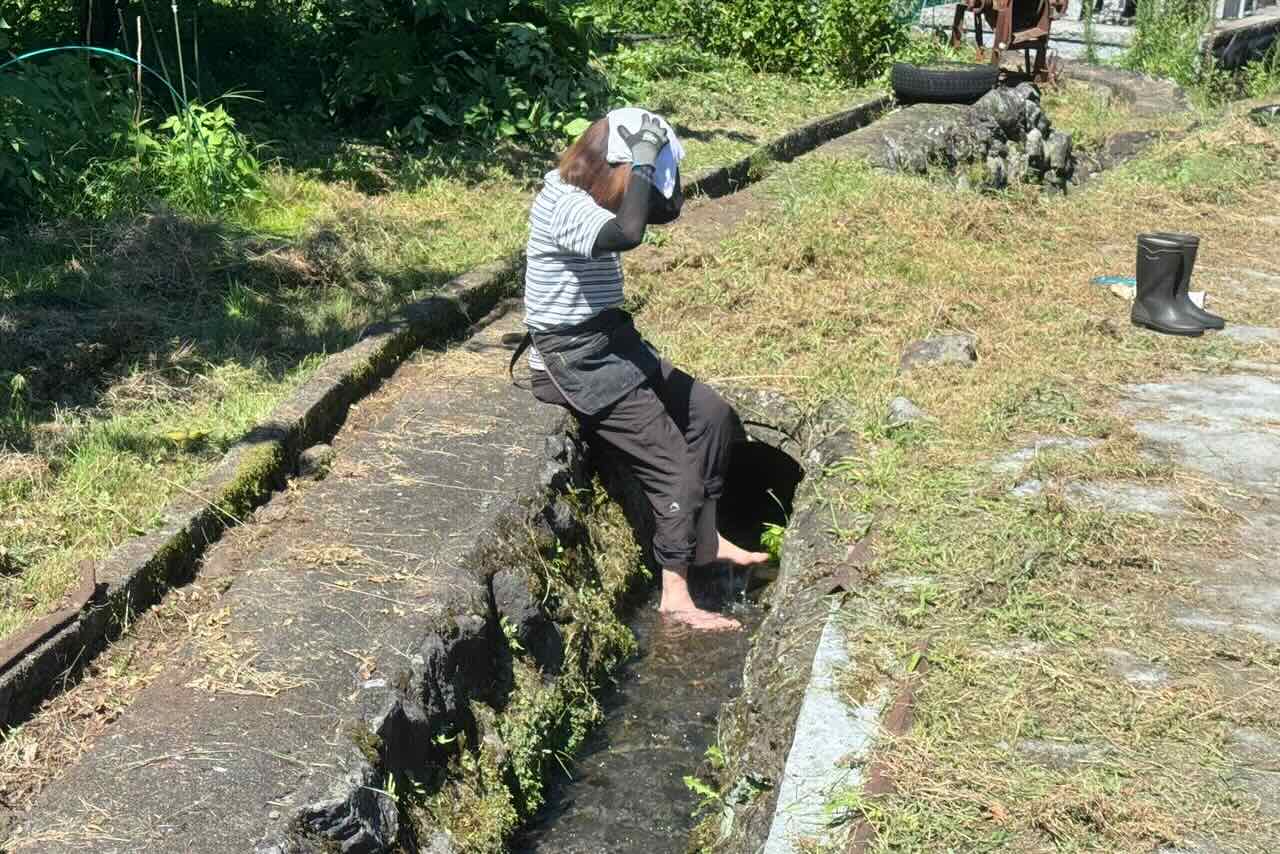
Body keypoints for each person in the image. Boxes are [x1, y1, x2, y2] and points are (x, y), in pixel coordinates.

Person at [515, 109, 768, 631]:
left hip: (612, 338)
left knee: (713, 416)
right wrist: (645, 160)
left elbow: (664, 211)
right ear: (615, 166)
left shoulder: (594, 193)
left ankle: (706, 541)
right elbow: (630, 232)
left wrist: (656, 159)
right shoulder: (563, 203)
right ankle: (675, 594)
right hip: (573, 357)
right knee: (676, 470)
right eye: (635, 171)